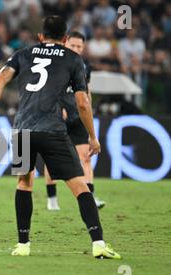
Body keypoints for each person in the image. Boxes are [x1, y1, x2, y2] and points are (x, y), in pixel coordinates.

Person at [0, 16, 121, 259]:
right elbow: (83, 103)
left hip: (23, 130)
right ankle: (98, 243)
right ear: (65, 39)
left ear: (40, 37)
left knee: (24, 183)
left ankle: (23, 245)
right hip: (53, 129)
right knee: (79, 185)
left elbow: (1, 78)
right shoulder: (73, 59)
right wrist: (92, 136)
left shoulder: (24, 53)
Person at [44, 31, 106, 211]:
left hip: (78, 115)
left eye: (80, 46)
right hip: (57, 116)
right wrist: (56, 108)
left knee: (85, 157)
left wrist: (89, 109)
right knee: (52, 159)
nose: (76, 49)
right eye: (73, 46)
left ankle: (91, 196)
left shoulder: (84, 66)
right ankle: (52, 198)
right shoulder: (53, 64)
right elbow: (47, 91)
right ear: (65, 43)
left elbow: (87, 92)